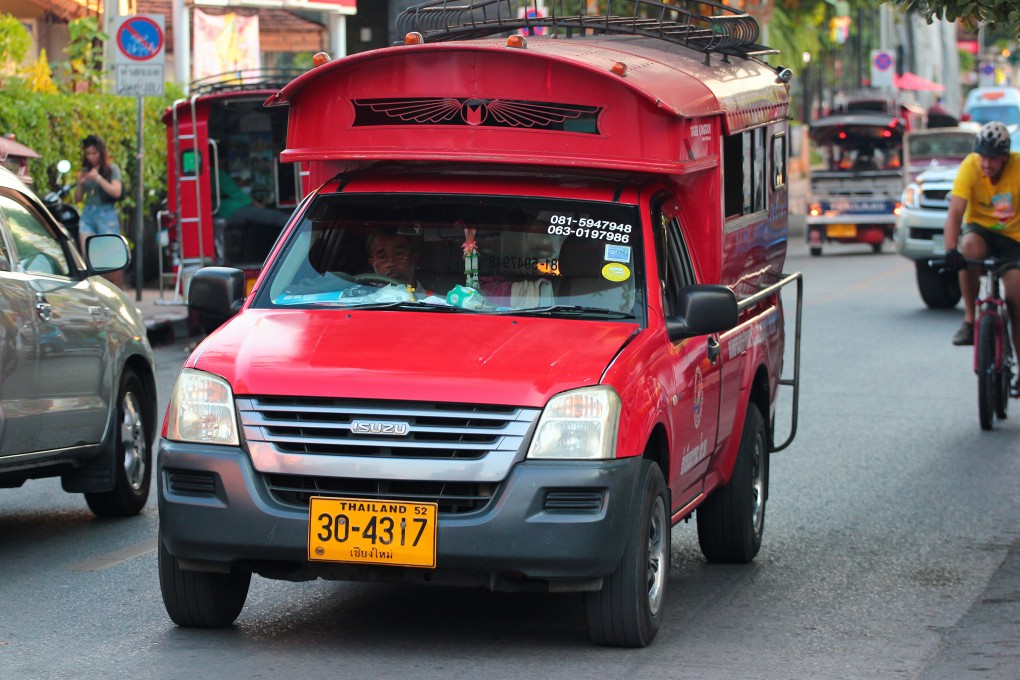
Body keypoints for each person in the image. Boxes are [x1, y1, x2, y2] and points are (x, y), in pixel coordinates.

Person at [943, 121, 1020, 390]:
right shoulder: (970, 166)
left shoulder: (1018, 167)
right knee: (968, 249)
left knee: (1016, 296)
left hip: (1014, 239)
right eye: (983, 157)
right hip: (982, 232)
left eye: (993, 159)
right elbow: (955, 212)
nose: (986, 164)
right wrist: (951, 249)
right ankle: (969, 319)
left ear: (1005, 157)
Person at [74, 134, 124, 288]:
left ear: (101, 152)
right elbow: (77, 199)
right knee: (88, 255)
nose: (91, 157)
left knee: (110, 259)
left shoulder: (111, 169)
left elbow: (116, 191)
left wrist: (98, 179)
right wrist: (80, 184)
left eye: (94, 153)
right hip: (88, 214)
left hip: (106, 214)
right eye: (88, 154)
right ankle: (97, 289)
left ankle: (119, 290)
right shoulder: (86, 170)